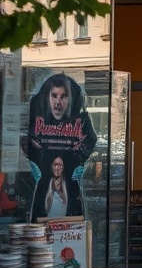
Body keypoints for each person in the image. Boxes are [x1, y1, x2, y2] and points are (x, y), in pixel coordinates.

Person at [22, 73, 97, 222]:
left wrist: (79, 160)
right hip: (41, 203)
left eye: (63, 97)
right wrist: (33, 161)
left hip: (71, 209)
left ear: (70, 99)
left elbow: (91, 139)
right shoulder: (35, 118)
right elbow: (23, 139)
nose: (58, 102)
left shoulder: (81, 120)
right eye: (54, 96)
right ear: (47, 97)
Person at [31, 155, 84, 221]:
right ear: (51, 166)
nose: (57, 168)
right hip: (46, 224)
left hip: (66, 225)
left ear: (63, 167)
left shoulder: (71, 187)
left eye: (60, 165)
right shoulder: (43, 186)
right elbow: (36, 210)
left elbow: (77, 210)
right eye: (55, 165)